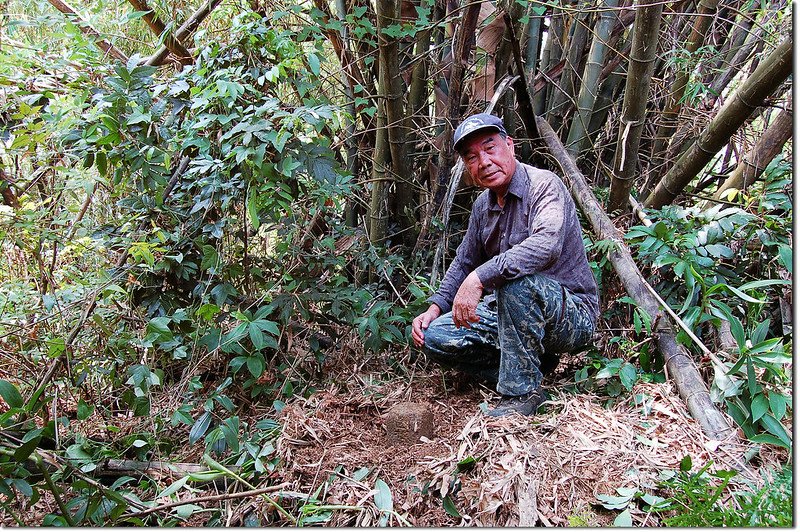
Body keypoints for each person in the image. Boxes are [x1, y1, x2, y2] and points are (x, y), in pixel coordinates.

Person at [411, 113, 599, 417]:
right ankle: (531, 367)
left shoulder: (544, 186)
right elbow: (464, 262)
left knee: (515, 282)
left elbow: (546, 245)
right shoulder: (482, 206)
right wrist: (434, 309)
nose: (483, 162)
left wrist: (480, 278)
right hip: (508, 313)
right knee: (437, 336)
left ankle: (523, 393)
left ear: (509, 146)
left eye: (490, 148)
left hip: (570, 315)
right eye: (472, 157)